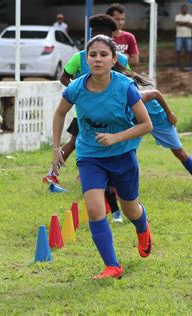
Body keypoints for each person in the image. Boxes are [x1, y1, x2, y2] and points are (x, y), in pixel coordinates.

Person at [52, 35, 154, 279]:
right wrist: (56, 148)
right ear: (86, 59)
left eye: (103, 55)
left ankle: (143, 228)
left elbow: (146, 124)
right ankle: (112, 265)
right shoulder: (76, 87)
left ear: (113, 59)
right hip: (90, 156)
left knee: (130, 209)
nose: (98, 59)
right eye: (93, 55)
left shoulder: (124, 87)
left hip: (122, 154)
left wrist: (116, 138)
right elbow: (59, 115)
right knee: (96, 208)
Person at [43, 14, 130, 223]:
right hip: (87, 113)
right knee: (79, 144)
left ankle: (55, 174)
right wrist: (77, 93)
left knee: (79, 144)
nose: (97, 59)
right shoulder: (80, 57)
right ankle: (56, 173)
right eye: (93, 53)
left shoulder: (120, 61)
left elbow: (129, 85)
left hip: (115, 119)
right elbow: (64, 77)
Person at [140, 90, 192, 195]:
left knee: (179, 153)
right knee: (126, 150)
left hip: (160, 121)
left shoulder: (138, 95)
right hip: (139, 122)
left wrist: (169, 113)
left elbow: (156, 93)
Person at [175, 4, 192, 71]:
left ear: (187, 9)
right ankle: (177, 65)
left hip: (188, 36)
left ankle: (188, 65)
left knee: (188, 51)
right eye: (183, 9)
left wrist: (183, 23)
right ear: (181, 9)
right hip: (179, 36)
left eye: (185, 9)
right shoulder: (177, 16)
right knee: (178, 51)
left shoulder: (190, 16)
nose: (184, 10)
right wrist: (187, 23)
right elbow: (178, 23)